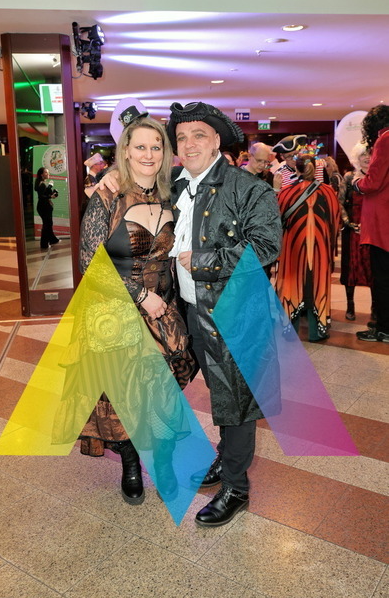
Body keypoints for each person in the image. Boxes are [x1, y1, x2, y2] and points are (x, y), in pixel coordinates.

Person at [102, 101, 282, 527]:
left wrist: (204, 260)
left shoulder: (248, 188)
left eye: (198, 135)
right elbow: (138, 195)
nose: (188, 144)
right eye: (181, 137)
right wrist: (111, 176)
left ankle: (236, 486)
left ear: (217, 140)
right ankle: (222, 457)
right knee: (207, 392)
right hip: (186, 312)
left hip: (234, 315)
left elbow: (266, 245)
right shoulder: (175, 184)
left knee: (236, 400)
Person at [67, 109, 194, 506]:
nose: (149, 154)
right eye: (140, 146)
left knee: (162, 395)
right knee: (121, 396)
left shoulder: (172, 192)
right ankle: (131, 463)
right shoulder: (107, 195)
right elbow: (89, 263)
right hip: (116, 310)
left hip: (163, 311)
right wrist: (140, 296)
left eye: (156, 147)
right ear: (125, 150)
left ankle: (164, 462)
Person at [275, 154, 340, 342]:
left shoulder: (286, 192)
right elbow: (335, 222)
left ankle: (290, 331)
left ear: (296, 169)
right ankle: (316, 331)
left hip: (292, 249)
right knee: (317, 284)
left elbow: (275, 222)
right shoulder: (328, 192)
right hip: (320, 248)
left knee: (292, 284)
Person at [353, 105, 389, 343]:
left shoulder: (385, 139)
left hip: (382, 220)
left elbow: (373, 182)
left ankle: (384, 328)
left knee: (382, 278)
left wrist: (357, 183)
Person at [338, 142, 374, 322]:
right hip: (353, 230)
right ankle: (350, 306)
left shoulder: (377, 177)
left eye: (369, 154)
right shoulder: (349, 177)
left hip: (373, 230)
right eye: (362, 154)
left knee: (374, 269)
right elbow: (339, 202)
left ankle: (375, 307)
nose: (366, 157)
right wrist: (348, 222)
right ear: (356, 158)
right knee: (350, 270)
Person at [34, 167, 59, 249]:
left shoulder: (42, 183)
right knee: (46, 225)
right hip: (43, 207)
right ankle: (44, 244)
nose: (48, 174)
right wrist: (50, 196)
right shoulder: (41, 184)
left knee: (48, 224)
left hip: (44, 206)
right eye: (46, 172)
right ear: (41, 174)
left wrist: (51, 193)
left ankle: (52, 240)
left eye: (48, 172)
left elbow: (45, 194)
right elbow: (41, 196)